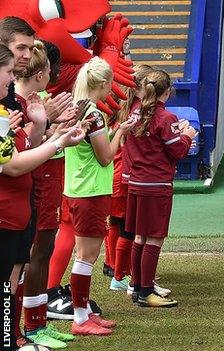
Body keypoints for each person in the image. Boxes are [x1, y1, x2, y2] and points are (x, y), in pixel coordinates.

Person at [0, 43, 85, 350]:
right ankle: (20, 335)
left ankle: (21, 334)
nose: (12, 77)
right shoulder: (8, 109)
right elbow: (12, 165)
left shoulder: (12, 109)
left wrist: (44, 128)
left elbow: (21, 149)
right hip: (11, 208)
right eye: (8, 71)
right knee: (17, 268)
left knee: (19, 266)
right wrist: (54, 137)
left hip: (18, 207)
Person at [64, 57, 135, 335]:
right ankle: (80, 317)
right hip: (91, 190)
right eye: (112, 83)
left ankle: (84, 312)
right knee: (86, 257)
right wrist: (120, 132)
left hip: (79, 187)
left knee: (85, 255)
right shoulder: (93, 114)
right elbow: (105, 157)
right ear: (105, 83)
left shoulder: (76, 107)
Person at [124, 69, 196, 306]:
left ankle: (136, 286)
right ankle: (146, 292)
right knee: (154, 238)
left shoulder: (135, 112)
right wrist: (187, 135)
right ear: (167, 92)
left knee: (139, 236)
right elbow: (177, 151)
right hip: (156, 185)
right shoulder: (166, 119)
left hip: (136, 183)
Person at [108, 64, 154, 294]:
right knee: (127, 228)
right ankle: (119, 274)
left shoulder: (122, 108)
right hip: (124, 176)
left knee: (119, 224)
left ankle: (117, 268)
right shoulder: (137, 112)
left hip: (119, 175)